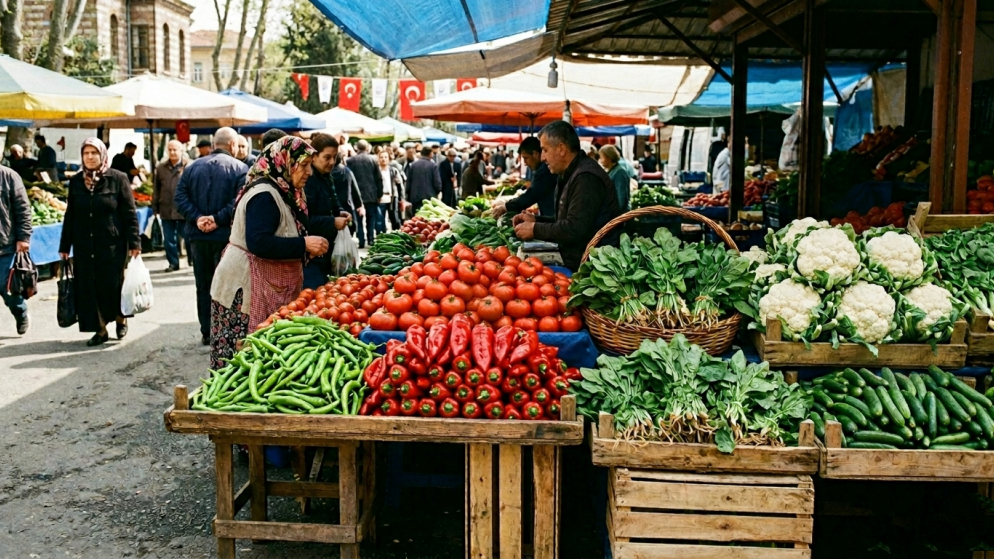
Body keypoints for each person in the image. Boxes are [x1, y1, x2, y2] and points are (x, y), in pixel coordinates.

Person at [209, 137, 329, 368]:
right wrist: (303, 245)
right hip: (243, 288)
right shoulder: (264, 194)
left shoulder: (282, 190)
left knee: (255, 359)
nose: (309, 172)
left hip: (259, 282)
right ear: (284, 162)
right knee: (238, 362)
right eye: (303, 165)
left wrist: (302, 249)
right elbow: (259, 242)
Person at [58, 138, 140, 346]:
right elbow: (71, 215)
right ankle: (100, 329)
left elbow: (129, 214)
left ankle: (120, 318)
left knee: (113, 285)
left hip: (112, 244)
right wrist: (64, 246)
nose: (90, 157)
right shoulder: (76, 182)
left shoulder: (118, 179)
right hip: (84, 244)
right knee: (89, 286)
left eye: (94, 153)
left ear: (102, 154)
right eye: (86, 153)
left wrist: (135, 243)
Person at [512, 121, 622, 271]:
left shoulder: (586, 178)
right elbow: (565, 221)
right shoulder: (571, 174)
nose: (543, 157)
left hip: (595, 267)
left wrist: (535, 229)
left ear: (561, 149)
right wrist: (535, 220)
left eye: (545, 150)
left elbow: (574, 229)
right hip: (580, 261)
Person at [174, 127, 248, 346]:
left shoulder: (192, 167)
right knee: (225, 284)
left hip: (198, 237)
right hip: (225, 236)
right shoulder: (240, 168)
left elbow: (180, 198)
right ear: (233, 145)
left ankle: (206, 330)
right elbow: (239, 202)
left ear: (215, 144)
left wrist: (198, 218)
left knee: (202, 284)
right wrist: (217, 219)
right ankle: (223, 328)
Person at [303, 133, 352, 289]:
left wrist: (340, 212)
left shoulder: (327, 176)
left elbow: (333, 202)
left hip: (327, 250)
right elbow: (305, 220)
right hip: (311, 255)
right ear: (314, 156)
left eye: (334, 157)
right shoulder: (307, 180)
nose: (332, 162)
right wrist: (332, 222)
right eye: (327, 157)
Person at [0, 162, 32, 334]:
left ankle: (21, 313)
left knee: (7, 290)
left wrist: (24, 237)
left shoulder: (9, 176)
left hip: (5, 245)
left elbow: (23, 209)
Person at [491, 137, 556, 219]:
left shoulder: (545, 170)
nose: (525, 163)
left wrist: (506, 207)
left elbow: (531, 195)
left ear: (535, 154)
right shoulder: (542, 169)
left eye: (526, 158)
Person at [153, 140, 188, 272]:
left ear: (181, 151)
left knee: (188, 237)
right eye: (170, 150)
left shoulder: (188, 166)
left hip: (183, 209)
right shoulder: (161, 168)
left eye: (175, 150)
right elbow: (156, 189)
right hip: (166, 208)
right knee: (169, 240)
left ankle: (192, 259)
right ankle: (173, 263)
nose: (172, 152)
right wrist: (154, 207)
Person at [346, 139, 380, 248]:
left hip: (356, 195)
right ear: (367, 148)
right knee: (371, 218)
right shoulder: (373, 160)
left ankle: (361, 240)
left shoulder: (350, 161)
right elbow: (378, 178)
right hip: (371, 194)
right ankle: (370, 239)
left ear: (357, 148)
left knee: (358, 219)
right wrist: (379, 194)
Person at [406, 146, 442, 213]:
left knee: (416, 219)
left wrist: (408, 195)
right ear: (430, 154)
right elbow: (437, 183)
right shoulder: (433, 166)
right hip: (429, 197)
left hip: (415, 197)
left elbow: (408, 183)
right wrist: (437, 192)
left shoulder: (413, 165)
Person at [376, 150, 404, 235]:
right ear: (378, 159)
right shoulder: (376, 171)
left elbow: (400, 184)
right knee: (380, 219)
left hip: (392, 196)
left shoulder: (393, 170)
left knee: (394, 218)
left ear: (388, 159)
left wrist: (401, 198)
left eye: (385, 157)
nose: (383, 159)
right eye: (381, 157)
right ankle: (381, 235)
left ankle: (397, 235)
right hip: (381, 197)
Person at [600, 145, 631, 212]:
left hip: (618, 216)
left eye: (602, 157)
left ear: (609, 158)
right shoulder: (611, 170)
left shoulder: (620, 172)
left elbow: (621, 198)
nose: (601, 161)